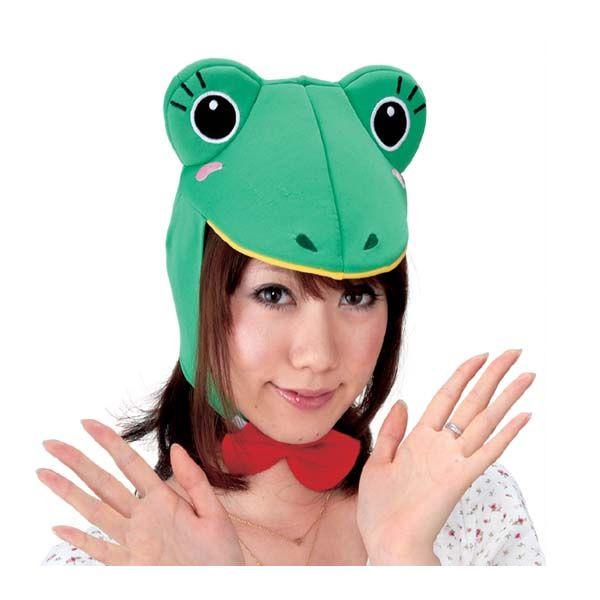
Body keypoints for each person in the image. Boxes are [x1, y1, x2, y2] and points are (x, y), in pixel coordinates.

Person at [38, 58, 545, 566]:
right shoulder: (116, 565)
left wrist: (405, 558)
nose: (318, 356)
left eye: (356, 296)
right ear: (197, 300)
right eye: (274, 295)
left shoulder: (469, 512)